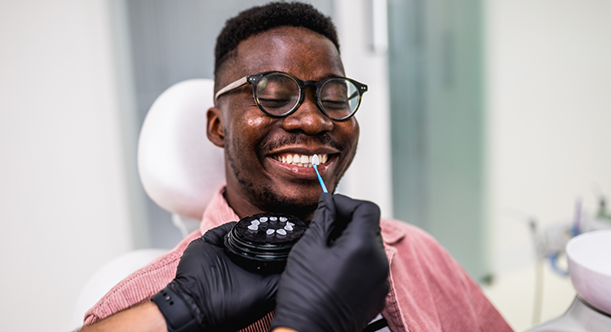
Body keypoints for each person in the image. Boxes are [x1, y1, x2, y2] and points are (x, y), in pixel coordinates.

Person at [79, 2, 513, 332]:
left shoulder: (416, 250)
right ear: (217, 127)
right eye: (272, 92)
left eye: (335, 94)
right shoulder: (140, 306)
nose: (314, 119)